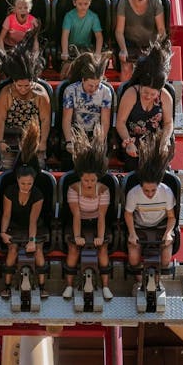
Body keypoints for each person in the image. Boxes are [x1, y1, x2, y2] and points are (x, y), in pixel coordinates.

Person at [62, 125, 114, 301]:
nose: (89, 183)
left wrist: (100, 237)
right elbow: (76, 215)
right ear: (80, 178)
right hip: (79, 221)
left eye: (92, 180)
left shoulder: (104, 190)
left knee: (103, 249)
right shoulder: (73, 189)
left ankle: (105, 286)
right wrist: (77, 236)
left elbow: (102, 216)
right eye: (86, 180)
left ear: (97, 178)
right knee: (73, 249)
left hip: (96, 221)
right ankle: (69, 286)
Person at [0, 120, 49, 299]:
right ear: (17, 180)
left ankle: (42, 287)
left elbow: (33, 220)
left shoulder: (38, 195)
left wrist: (32, 240)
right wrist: (3, 232)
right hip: (15, 225)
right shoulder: (10, 191)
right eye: (23, 183)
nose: (26, 186)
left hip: (35, 227)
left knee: (38, 250)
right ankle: (7, 285)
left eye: (29, 183)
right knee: (12, 249)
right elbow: (6, 214)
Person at [124, 132, 176, 294]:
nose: (150, 194)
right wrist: (132, 233)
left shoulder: (166, 192)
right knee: (133, 258)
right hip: (140, 227)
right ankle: (140, 283)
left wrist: (168, 233)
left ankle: (156, 282)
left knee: (165, 260)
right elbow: (128, 214)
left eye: (153, 190)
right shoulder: (134, 193)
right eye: (146, 191)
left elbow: (171, 217)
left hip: (160, 227)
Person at [0, 29, 51, 170]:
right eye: (20, 86)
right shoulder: (6, 93)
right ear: (14, 82)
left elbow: (45, 120)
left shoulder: (40, 95)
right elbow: (0, 119)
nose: (23, 89)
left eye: (27, 85)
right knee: (7, 166)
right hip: (10, 135)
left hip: (33, 136)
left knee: (38, 166)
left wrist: (43, 141)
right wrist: (0, 141)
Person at [116, 45, 173, 171]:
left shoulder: (165, 97)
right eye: (145, 92)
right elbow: (120, 122)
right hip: (132, 140)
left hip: (155, 141)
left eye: (153, 94)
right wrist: (129, 142)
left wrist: (164, 142)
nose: (148, 96)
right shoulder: (131, 94)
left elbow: (168, 123)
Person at [61, 52, 112, 170]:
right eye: (90, 85)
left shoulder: (105, 92)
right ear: (83, 80)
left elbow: (105, 121)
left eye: (97, 85)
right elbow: (67, 119)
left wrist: (99, 141)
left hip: (95, 132)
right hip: (76, 131)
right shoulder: (71, 91)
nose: (93, 89)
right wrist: (69, 141)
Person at [114, 0, 167, 81]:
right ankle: (125, 89)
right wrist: (123, 50)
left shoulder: (155, 3)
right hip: (129, 44)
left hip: (150, 45)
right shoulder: (123, 3)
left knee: (152, 70)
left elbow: (161, 30)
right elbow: (119, 31)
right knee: (126, 65)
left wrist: (156, 48)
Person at [60, 0, 103, 79]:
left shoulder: (93, 17)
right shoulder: (69, 16)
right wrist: (65, 51)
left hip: (86, 48)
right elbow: (65, 35)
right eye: (80, 4)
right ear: (74, 3)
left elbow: (99, 36)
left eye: (86, 4)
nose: (83, 7)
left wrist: (98, 53)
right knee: (67, 69)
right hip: (71, 47)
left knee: (92, 69)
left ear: (90, 3)